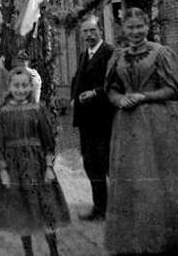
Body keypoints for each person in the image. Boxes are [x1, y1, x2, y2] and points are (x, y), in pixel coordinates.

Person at [104, 8, 178, 255]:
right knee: (131, 180)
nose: (135, 32)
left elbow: (175, 90)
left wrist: (144, 95)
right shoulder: (118, 57)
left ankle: (162, 241)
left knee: (158, 177)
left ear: (147, 26)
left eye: (140, 27)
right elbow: (111, 88)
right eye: (130, 27)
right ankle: (132, 241)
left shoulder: (160, 53)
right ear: (123, 29)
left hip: (156, 124)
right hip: (126, 125)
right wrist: (118, 99)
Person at [0, 67, 70, 256]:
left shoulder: (38, 109)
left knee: (46, 208)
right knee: (21, 210)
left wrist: (49, 166)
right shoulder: (2, 112)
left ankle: (54, 251)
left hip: (37, 166)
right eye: (16, 86)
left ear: (30, 87)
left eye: (24, 85)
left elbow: (49, 141)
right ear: (9, 87)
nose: (20, 90)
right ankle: (28, 252)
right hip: (13, 167)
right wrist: (2, 170)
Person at [70, 15, 115, 221]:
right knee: (91, 165)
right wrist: (74, 98)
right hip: (86, 121)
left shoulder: (109, 53)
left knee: (108, 165)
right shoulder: (83, 55)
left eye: (92, 31)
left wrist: (95, 93)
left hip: (104, 120)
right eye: (85, 32)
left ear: (101, 31)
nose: (88, 35)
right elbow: (77, 79)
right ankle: (99, 209)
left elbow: (114, 84)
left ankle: (117, 210)